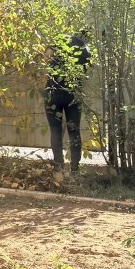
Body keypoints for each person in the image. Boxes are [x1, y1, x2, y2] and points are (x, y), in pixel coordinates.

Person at [44, 31, 91, 178]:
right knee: (74, 131)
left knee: (55, 130)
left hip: (53, 92)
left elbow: (46, 58)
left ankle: (58, 167)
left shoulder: (58, 41)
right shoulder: (85, 49)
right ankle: (75, 170)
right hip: (73, 93)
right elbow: (86, 69)